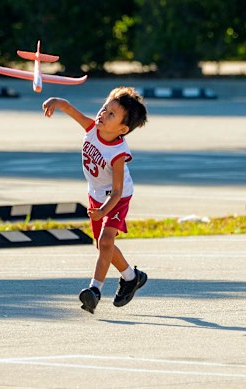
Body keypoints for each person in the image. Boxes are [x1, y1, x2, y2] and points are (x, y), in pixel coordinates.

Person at [42, 87, 148, 314]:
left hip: (116, 199)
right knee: (103, 245)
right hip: (96, 195)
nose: (103, 114)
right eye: (104, 108)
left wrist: (103, 211)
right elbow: (72, 110)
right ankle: (131, 277)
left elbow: (118, 191)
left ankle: (95, 291)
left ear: (122, 129)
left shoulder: (118, 153)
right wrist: (57, 101)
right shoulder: (91, 128)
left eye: (111, 114)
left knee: (106, 239)